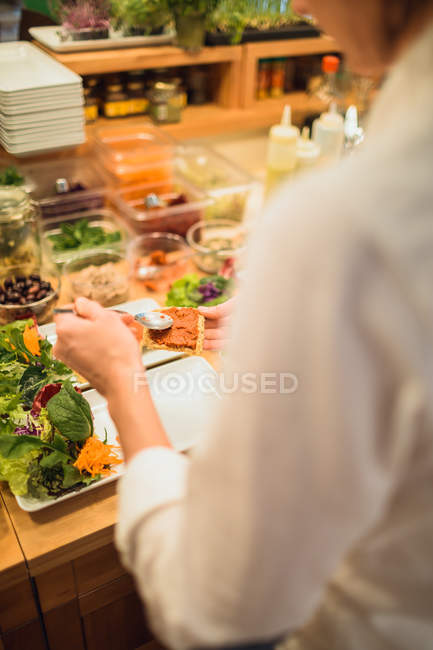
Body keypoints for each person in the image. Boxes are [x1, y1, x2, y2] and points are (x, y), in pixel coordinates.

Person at [54, 1, 433, 648]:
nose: (303, 4)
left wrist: (122, 380)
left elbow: (214, 610)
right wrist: (290, 320)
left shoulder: (346, 223)